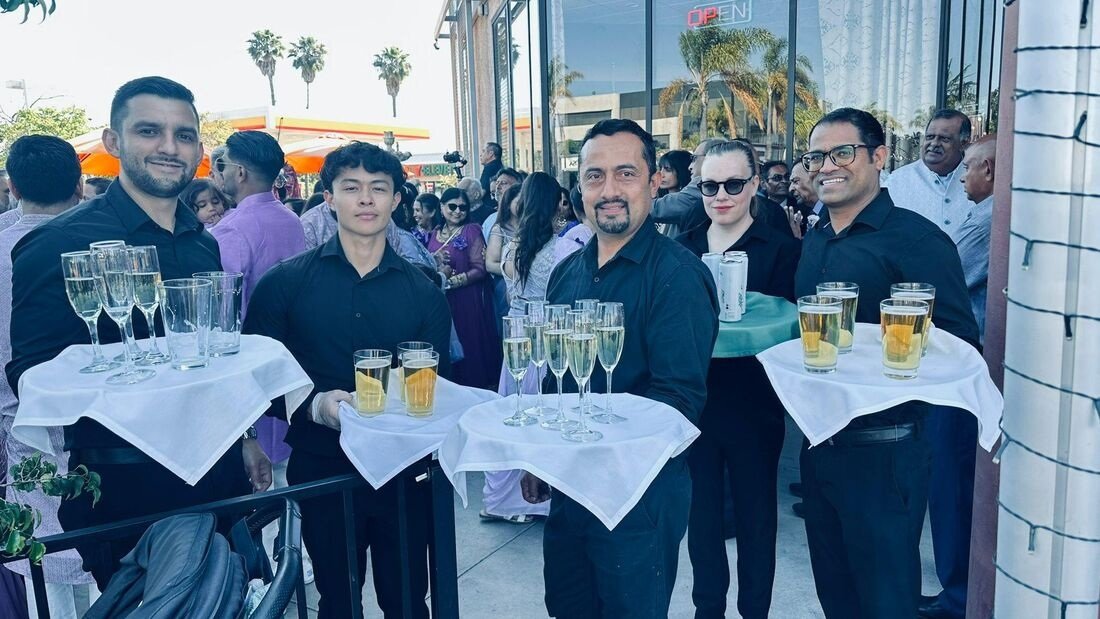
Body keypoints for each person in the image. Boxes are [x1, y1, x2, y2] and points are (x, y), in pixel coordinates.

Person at [6, 76, 267, 587]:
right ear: (113, 141)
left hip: (219, 483)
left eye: (184, 135)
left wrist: (246, 437)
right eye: (149, 130)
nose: (169, 147)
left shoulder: (202, 242)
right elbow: (30, 373)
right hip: (126, 494)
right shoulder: (58, 243)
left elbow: (213, 359)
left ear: (199, 149)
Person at [244, 141, 452, 618]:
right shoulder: (284, 284)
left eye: (378, 188)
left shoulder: (424, 292)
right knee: (337, 601)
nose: (365, 199)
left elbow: (438, 383)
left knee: (407, 600)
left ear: (396, 199)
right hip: (322, 466)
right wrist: (313, 405)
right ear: (329, 198)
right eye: (351, 187)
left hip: (404, 473)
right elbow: (256, 378)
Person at [521, 119, 718, 617]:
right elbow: (554, 378)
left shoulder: (678, 276)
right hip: (570, 485)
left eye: (625, 174)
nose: (609, 190)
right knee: (567, 606)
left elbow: (679, 400)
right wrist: (539, 457)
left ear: (654, 183)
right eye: (595, 176)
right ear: (580, 190)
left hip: (639, 497)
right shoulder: (566, 272)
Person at [794, 107, 979, 619]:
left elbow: (961, 343)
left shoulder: (916, 240)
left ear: (879, 157)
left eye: (842, 153)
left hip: (886, 453)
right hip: (819, 443)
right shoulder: (817, 236)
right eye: (816, 156)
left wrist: (887, 352)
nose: (827, 166)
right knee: (836, 598)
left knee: (886, 604)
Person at [677, 141, 800, 619]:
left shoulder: (782, 250)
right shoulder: (683, 247)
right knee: (702, 521)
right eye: (710, 186)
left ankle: (755, 613)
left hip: (756, 406)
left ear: (754, 184)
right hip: (695, 405)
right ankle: (707, 611)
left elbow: (793, 334)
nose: (721, 196)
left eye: (733, 184)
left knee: (756, 522)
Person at [0, 135, 95, 619]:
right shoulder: (106, 244)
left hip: (20, 424)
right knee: (108, 559)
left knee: (42, 565)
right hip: (101, 423)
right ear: (79, 185)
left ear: (13, 187)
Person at [913, 135, 996, 619]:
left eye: (968, 167)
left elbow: (941, 280)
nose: (962, 177)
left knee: (952, 480)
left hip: (962, 367)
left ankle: (958, 595)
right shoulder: (990, 214)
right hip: (974, 366)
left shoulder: (988, 221)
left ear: (990, 169)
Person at [481, 173, 580, 525]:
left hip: (517, 334)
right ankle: (536, 497)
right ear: (557, 205)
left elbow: (512, 295)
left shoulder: (514, 247)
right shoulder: (564, 249)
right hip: (547, 335)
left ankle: (501, 497)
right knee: (545, 412)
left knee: (515, 411)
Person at [209, 130, 307, 315]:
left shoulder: (231, 228)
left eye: (222, 165)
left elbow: (228, 307)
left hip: (253, 331)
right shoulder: (292, 219)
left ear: (240, 172)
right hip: (292, 327)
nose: (221, 172)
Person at [428, 187, 499, 388]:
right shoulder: (434, 233)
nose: (458, 211)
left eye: (463, 207)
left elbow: (480, 268)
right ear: (442, 207)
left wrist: (452, 281)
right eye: (452, 206)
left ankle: (473, 388)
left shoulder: (471, 230)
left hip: (467, 299)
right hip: (442, 299)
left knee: (468, 341)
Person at [885, 109, 974, 242]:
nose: (934, 143)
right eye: (930, 137)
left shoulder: (979, 180)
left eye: (944, 138)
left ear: (964, 144)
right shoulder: (896, 181)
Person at [650, 139, 723, 236]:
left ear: (710, 157)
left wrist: (636, 205)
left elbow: (664, 208)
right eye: (661, 168)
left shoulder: (704, 185)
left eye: (694, 158)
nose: (690, 166)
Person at [555, 186, 594, 262]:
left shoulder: (572, 231)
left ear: (573, 208)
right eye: (556, 203)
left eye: (564, 203)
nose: (560, 207)